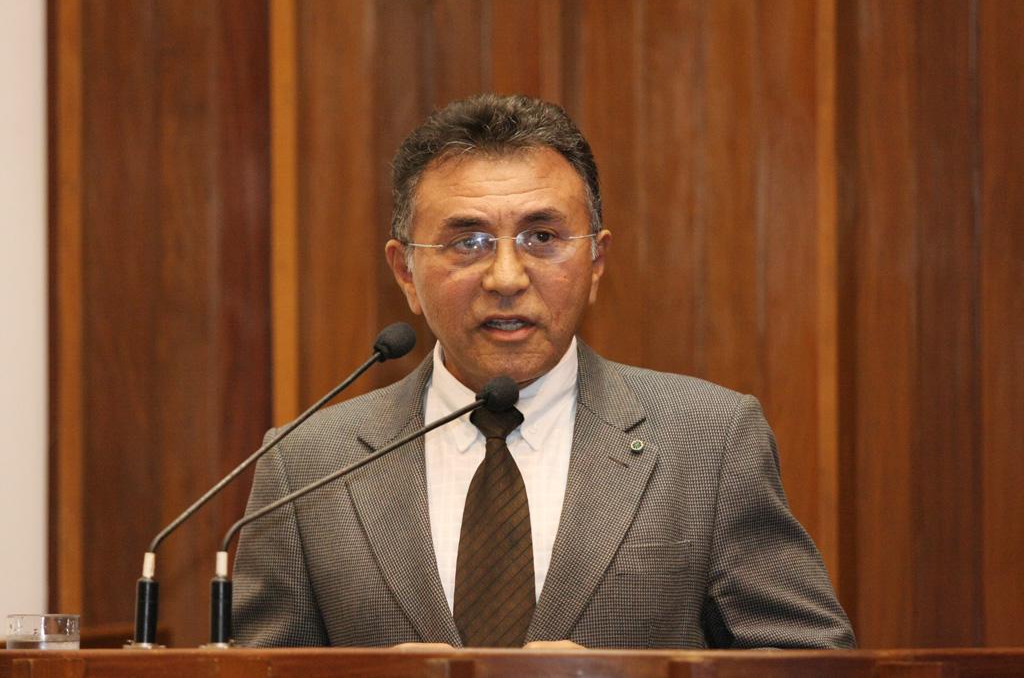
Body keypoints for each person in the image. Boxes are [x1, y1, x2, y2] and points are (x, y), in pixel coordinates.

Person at [233, 94, 855, 649]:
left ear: (596, 261)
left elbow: (813, 668)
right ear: (406, 274)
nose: (506, 278)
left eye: (542, 237)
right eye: (468, 242)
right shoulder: (306, 467)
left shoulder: (709, 441)